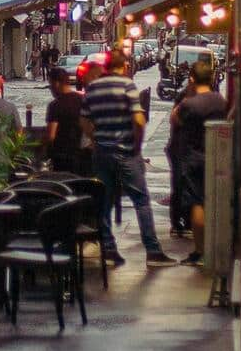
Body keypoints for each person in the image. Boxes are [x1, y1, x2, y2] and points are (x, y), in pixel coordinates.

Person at [84, 48, 173, 266]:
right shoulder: (127, 85)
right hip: (125, 152)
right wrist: (136, 145)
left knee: (104, 202)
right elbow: (139, 121)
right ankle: (152, 251)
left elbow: (84, 121)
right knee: (141, 200)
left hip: (102, 152)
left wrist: (95, 139)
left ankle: (108, 248)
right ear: (123, 66)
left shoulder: (93, 88)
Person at [170, 59, 229, 266]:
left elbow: (175, 120)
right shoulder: (220, 101)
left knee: (197, 203)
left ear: (192, 79)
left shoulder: (188, 104)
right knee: (216, 201)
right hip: (217, 156)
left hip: (193, 158)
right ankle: (218, 246)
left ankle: (200, 250)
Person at [43, 68, 90, 174]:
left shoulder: (55, 105)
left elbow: (51, 135)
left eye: (50, 85)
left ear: (56, 83)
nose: (50, 89)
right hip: (83, 154)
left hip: (62, 157)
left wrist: (40, 146)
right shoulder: (83, 100)